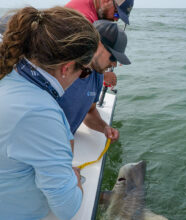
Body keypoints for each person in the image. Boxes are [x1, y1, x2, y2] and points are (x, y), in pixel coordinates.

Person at [0, 6, 99, 220]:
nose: (84, 76)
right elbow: (67, 207)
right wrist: (73, 179)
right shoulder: (38, 112)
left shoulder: (9, 77)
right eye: (85, 71)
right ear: (66, 67)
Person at [58, 20, 130, 143]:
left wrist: (104, 128)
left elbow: (89, 112)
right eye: (113, 57)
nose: (114, 64)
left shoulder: (97, 75)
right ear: (98, 44)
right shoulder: (59, 70)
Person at [66, 0, 134, 24]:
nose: (115, 19)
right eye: (116, 14)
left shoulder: (90, 5)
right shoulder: (85, 21)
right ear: (106, 0)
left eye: (119, 18)